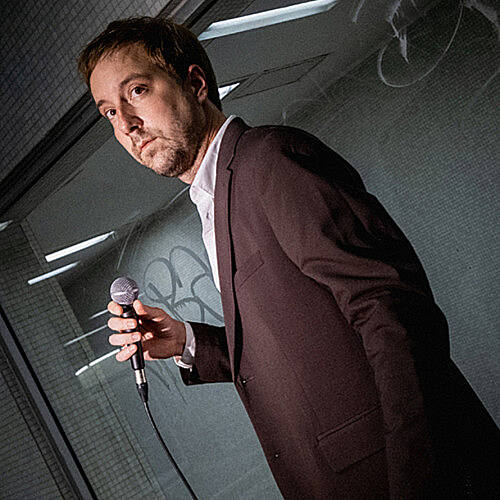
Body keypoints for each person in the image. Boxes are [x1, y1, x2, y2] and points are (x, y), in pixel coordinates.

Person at [79, 16, 499, 499]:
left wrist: (418, 483)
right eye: (109, 113)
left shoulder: (269, 159)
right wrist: (186, 340)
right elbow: (294, 347)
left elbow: (394, 313)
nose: (127, 125)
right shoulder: (215, 198)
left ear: (195, 84)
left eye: (136, 91)